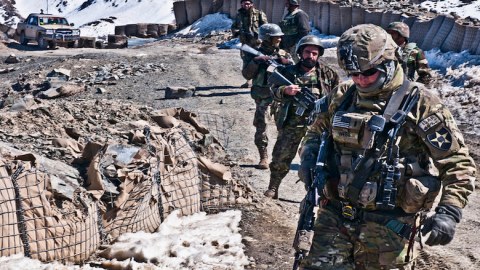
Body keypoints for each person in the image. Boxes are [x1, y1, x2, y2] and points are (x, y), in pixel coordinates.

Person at [297, 24, 476, 269]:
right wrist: (308, 157)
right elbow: (316, 131)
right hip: (335, 216)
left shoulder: (421, 103)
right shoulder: (343, 95)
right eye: (353, 73)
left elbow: (458, 162)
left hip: (389, 227)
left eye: (368, 73)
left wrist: (449, 211)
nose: (360, 80)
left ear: (389, 62)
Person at [264, 35, 339, 198]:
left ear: (319, 54)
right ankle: (273, 187)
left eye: (314, 53)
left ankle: (315, 194)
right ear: (300, 53)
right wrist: (285, 90)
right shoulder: (288, 72)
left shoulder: (328, 74)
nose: (310, 56)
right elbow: (273, 91)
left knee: (316, 160)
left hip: (319, 125)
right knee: (281, 156)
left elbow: (338, 96)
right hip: (293, 123)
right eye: (307, 52)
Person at [242, 24, 293, 169]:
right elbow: (246, 75)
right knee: (261, 125)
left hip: (282, 96)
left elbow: (295, 75)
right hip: (263, 95)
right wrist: (256, 62)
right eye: (276, 37)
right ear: (267, 38)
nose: (279, 38)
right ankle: (263, 157)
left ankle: (281, 158)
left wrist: (287, 64)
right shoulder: (254, 54)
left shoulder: (284, 54)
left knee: (284, 127)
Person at [231, 0, 268, 88]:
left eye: (248, 3)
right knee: (246, 62)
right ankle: (248, 81)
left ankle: (259, 81)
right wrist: (237, 32)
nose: (246, 5)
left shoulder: (259, 14)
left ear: (252, 4)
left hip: (257, 43)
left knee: (259, 61)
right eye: (244, 3)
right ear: (241, 4)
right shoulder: (239, 15)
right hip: (245, 43)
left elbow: (265, 27)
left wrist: (260, 37)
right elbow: (234, 26)